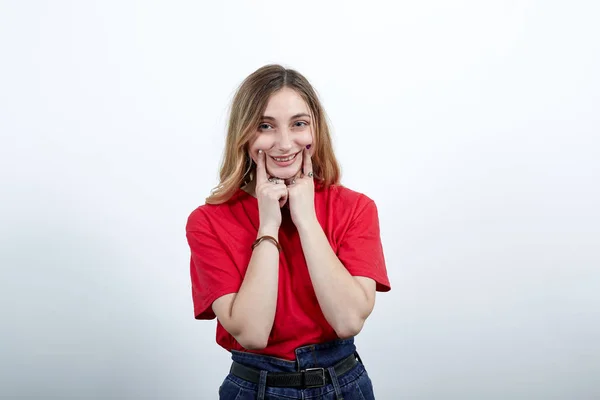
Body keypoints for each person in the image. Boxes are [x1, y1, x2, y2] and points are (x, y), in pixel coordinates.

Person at [185, 64, 391, 399]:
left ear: (315, 129)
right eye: (265, 126)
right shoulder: (207, 221)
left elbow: (349, 320)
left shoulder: (356, 208)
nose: (284, 143)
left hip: (343, 383)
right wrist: (269, 224)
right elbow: (252, 333)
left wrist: (306, 218)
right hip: (256, 386)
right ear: (245, 133)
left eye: (298, 124)